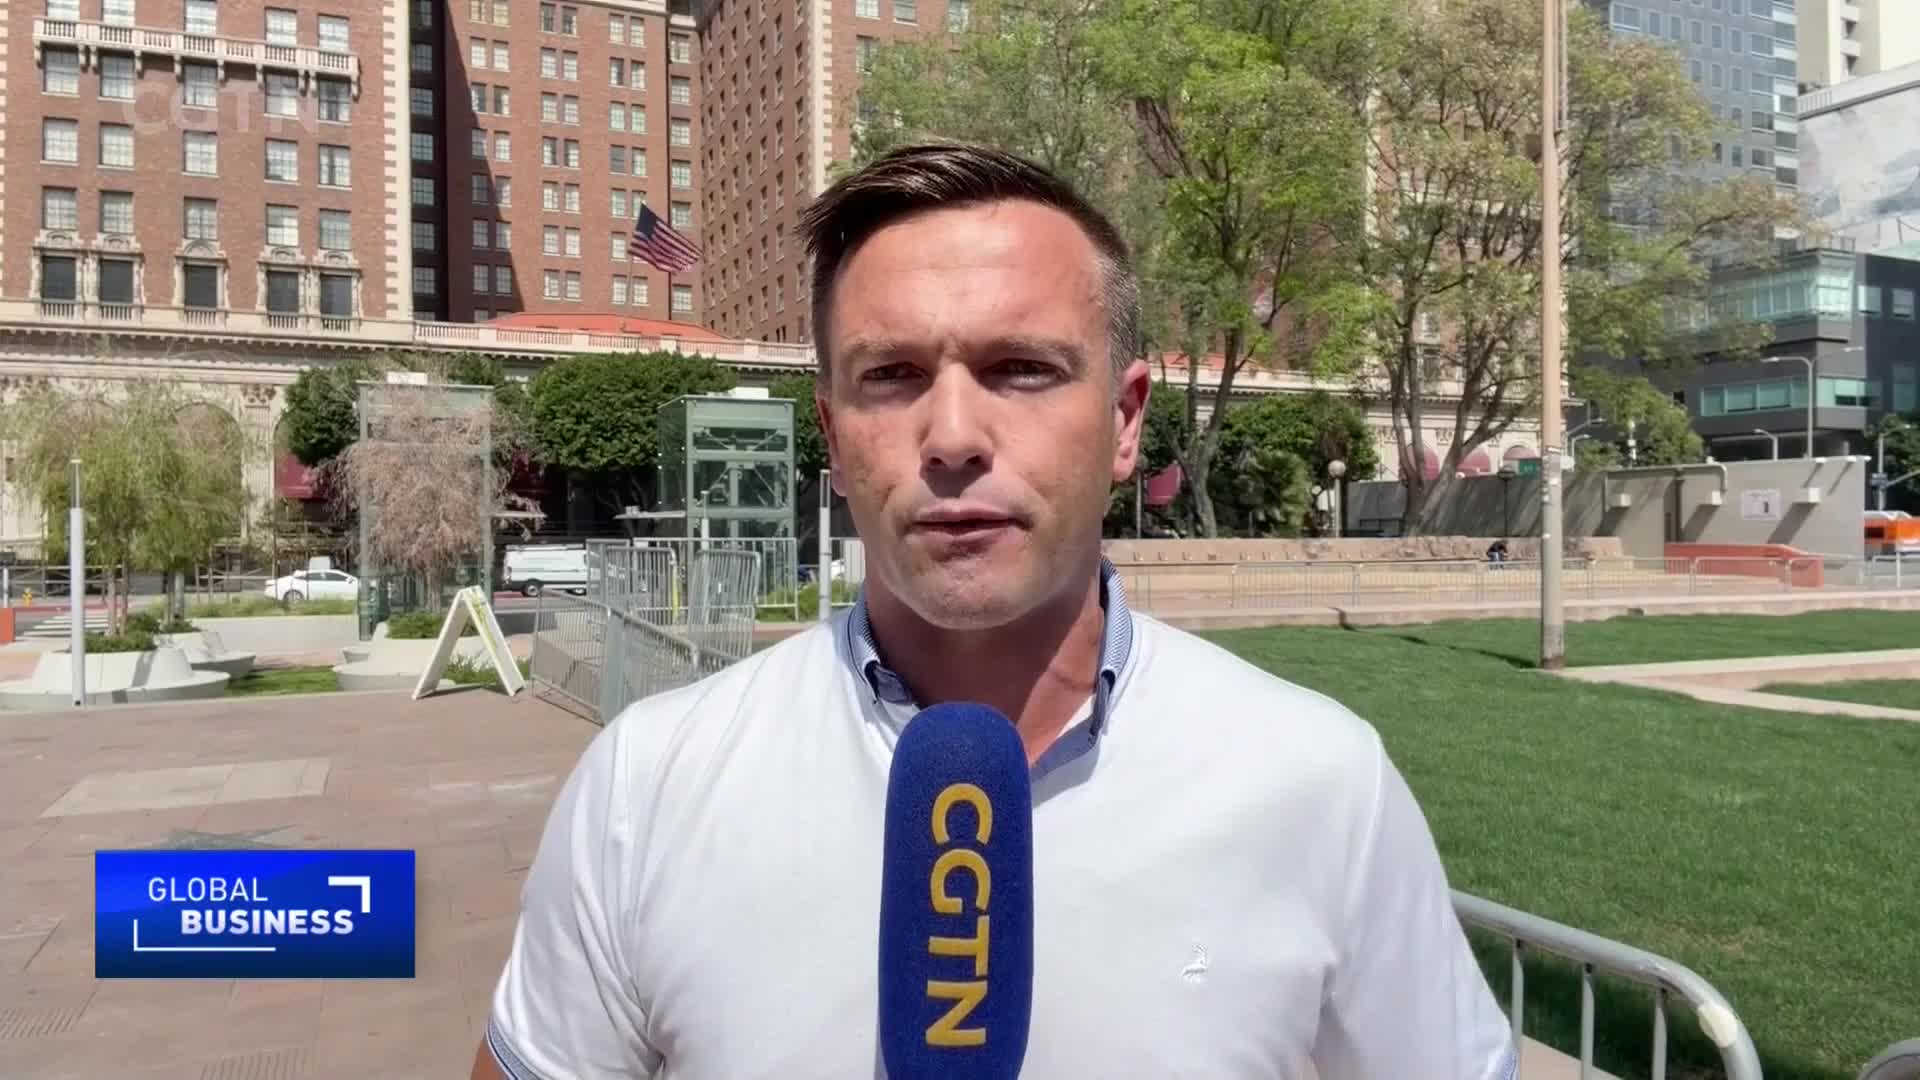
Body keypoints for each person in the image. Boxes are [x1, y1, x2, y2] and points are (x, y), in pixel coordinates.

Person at [473, 142, 1518, 1079]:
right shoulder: (648, 786)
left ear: (1124, 420)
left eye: (1022, 369)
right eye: (893, 376)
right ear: (832, 439)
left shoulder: (1321, 783)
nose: (954, 436)